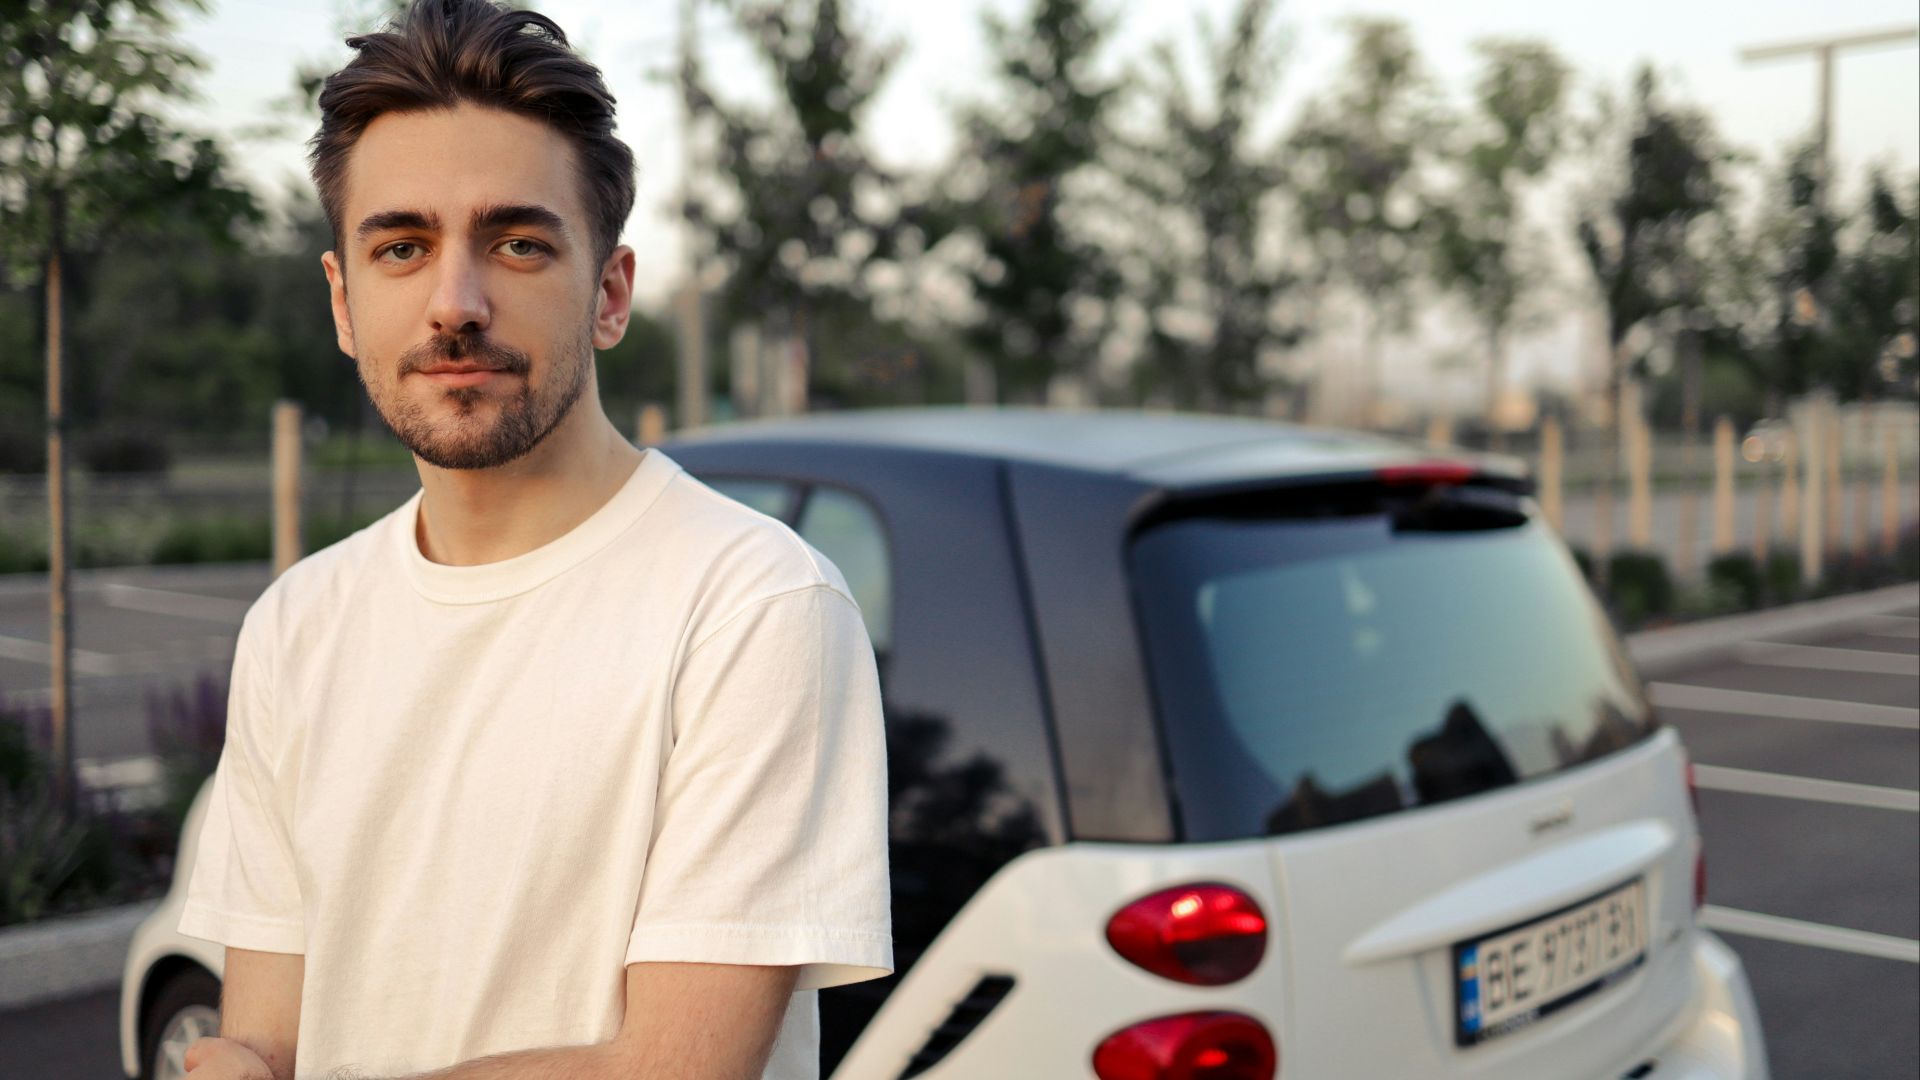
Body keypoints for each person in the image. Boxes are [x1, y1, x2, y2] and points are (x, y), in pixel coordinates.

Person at [175, 2, 891, 1077]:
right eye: (403, 247)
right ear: (342, 301)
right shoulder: (297, 624)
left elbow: (671, 1072)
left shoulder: (752, 604)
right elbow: (267, 1037)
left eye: (516, 243)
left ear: (609, 292)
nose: (455, 303)